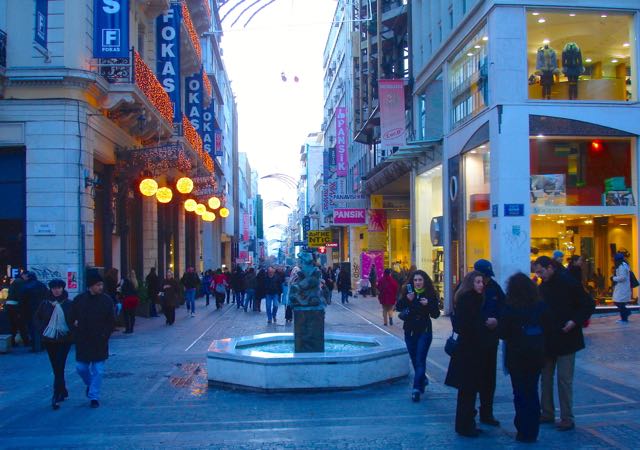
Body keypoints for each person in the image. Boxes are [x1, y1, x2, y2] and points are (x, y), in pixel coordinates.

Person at [533, 256, 595, 431]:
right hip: (548, 339)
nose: (539, 275)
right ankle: (547, 412)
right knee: (545, 378)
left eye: (541, 271)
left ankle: (567, 417)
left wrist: (574, 321)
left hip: (567, 338)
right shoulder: (543, 286)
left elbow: (588, 304)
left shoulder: (568, 282)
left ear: (550, 267)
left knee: (564, 379)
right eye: (537, 272)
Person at [498, 273, 550, 443]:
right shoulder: (539, 305)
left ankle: (523, 430)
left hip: (517, 356)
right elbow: (549, 326)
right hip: (535, 355)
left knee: (519, 392)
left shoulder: (510, 307)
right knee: (532, 391)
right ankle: (532, 430)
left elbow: (503, 332)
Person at [445, 271, 487, 438]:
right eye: (477, 282)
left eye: (482, 282)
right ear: (471, 283)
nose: (481, 285)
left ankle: (465, 424)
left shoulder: (463, 299)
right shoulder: (471, 300)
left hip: (465, 352)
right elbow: (470, 327)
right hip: (469, 352)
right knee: (468, 391)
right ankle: (466, 425)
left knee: (466, 391)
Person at [72, 271, 116, 408]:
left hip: (99, 341)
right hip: (83, 341)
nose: (100, 287)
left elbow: (111, 321)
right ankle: (90, 385)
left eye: (101, 284)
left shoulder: (106, 300)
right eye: (98, 285)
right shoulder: (79, 300)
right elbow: (71, 318)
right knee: (81, 367)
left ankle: (94, 396)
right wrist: (75, 327)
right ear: (90, 286)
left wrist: (105, 335)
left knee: (98, 370)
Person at [396, 270, 440, 402]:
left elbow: (436, 314)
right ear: (412, 282)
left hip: (424, 331)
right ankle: (423, 379)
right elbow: (398, 307)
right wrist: (406, 299)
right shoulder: (408, 293)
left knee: (420, 359)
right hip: (409, 331)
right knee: (414, 359)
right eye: (415, 280)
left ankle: (416, 389)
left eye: (420, 280)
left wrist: (428, 305)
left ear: (424, 281)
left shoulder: (430, 294)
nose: (418, 282)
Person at [473, 259, 505, 426]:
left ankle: (487, 412)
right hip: (473, 343)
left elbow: (504, 307)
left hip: (490, 341)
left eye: (486, 277)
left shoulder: (494, 287)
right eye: (482, 277)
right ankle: (469, 414)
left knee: (489, 379)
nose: (485, 281)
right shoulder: (466, 289)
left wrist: (497, 320)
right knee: (472, 379)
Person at [35, 279, 74, 410]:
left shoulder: (68, 304)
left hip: (64, 339)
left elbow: (74, 319)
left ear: (63, 289)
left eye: (59, 288)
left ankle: (56, 393)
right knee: (56, 366)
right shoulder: (45, 304)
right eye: (54, 288)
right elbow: (37, 318)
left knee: (59, 364)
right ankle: (62, 389)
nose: (56, 290)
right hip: (49, 340)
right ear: (50, 289)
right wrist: (43, 331)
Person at [20, 271, 48, 352]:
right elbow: (47, 295)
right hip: (42, 310)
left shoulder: (26, 286)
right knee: (41, 327)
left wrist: (21, 311)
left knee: (32, 328)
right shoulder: (41, 285)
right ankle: (42, 344)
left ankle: (35, 346)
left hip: (29, 310)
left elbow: (22, 300)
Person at [6, 274, 29, 347]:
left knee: (12, 324)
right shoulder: (20, 282)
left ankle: (12, 341)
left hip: (10, 304)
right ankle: (26, 341)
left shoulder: (15, 282)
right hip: (16, 305)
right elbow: (20, 295)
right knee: (21, 324)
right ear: (24, 276)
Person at [612, 252, 632, 323]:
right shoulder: (624, 265)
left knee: (619, 303)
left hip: (622, 287)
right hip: (622, 287)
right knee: (620, 303)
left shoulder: (621, 266)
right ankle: (624, 317)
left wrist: (613, 278)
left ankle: (626, 314)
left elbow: (622, 277)